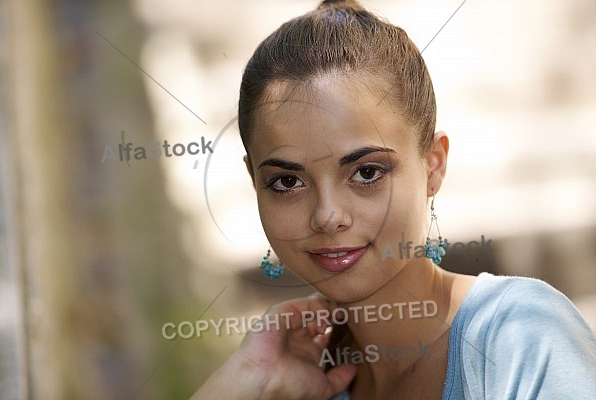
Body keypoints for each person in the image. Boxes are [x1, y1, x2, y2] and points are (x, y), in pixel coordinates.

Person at [191, 0, 596, 398]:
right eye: (286, 182)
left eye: (367, 172)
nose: (327, 216)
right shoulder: (292, 381)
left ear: (433, 166)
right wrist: (244, 382)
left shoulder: (517, 334)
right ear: (254, 182)